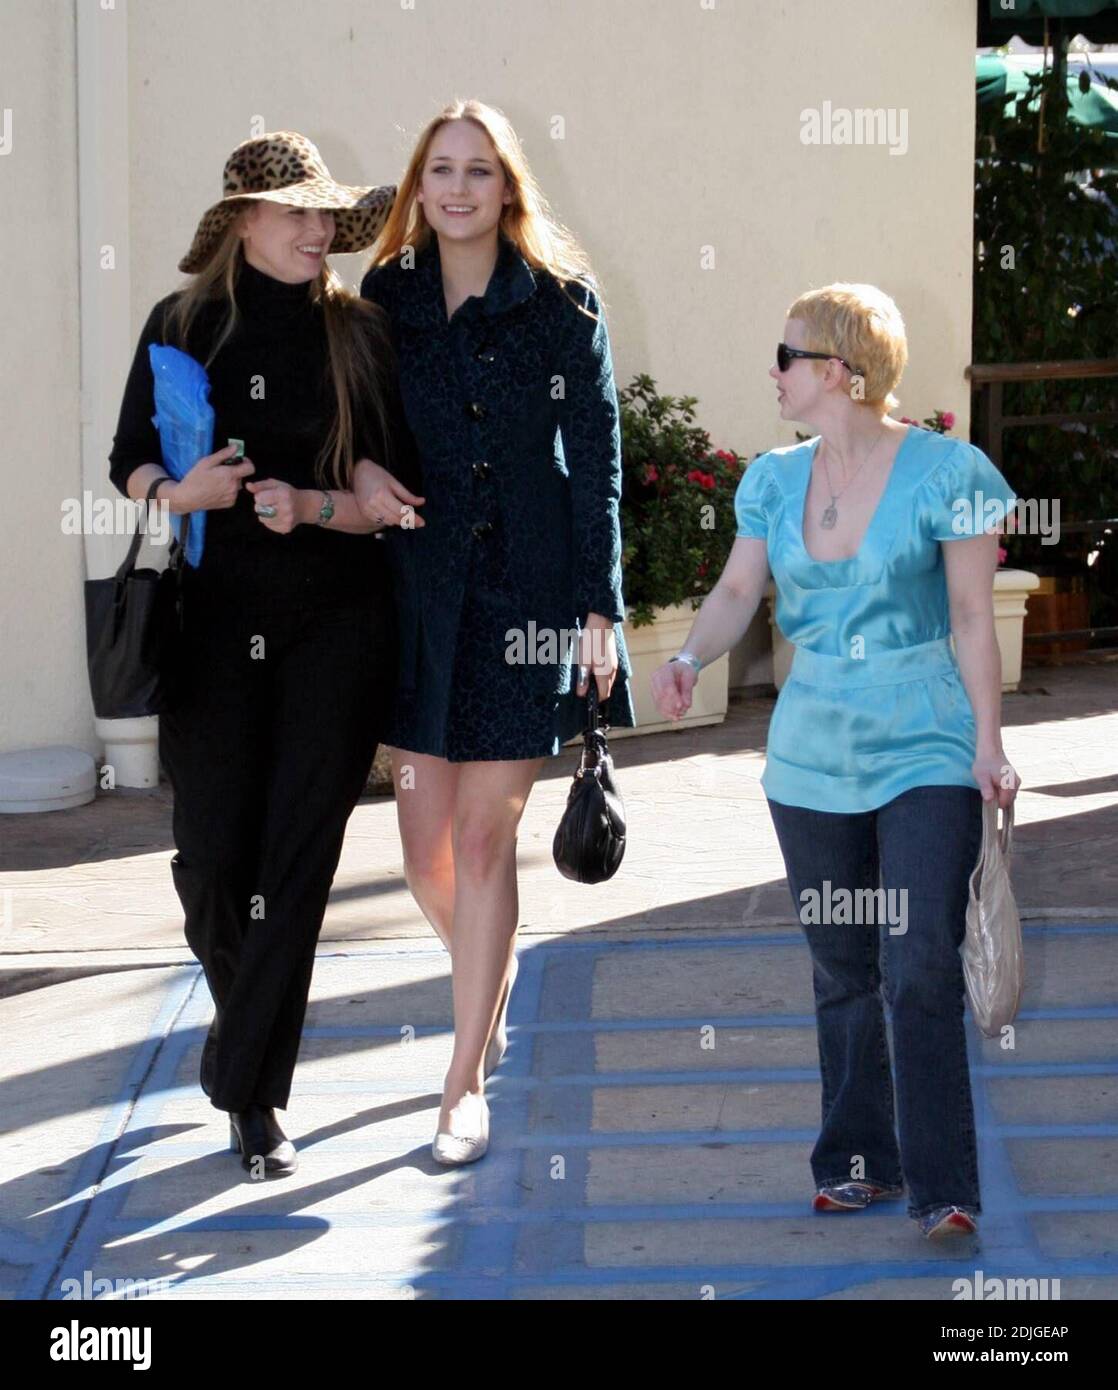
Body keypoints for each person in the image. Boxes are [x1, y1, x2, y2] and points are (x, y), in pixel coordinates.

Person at [651, 283, 1019, 1239]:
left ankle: (946, 1188)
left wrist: (989, 742)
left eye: (788, 354)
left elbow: (975, 617)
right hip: (811, 751)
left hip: (927, 740)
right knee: (842, 967)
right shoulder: (774, 480)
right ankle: (860, 1162)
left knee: (918, 964)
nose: (772, 370)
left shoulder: (951, 471)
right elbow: (739, 589)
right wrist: (690, 657)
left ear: (842, 373)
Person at [108, 131, 412, 1177]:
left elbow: (392, 485)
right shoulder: (181, 323)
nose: (318, 233)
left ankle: (251, 1096)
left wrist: (324, 501)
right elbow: (127, 459)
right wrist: (176, 490)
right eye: (296, 214)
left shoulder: (359, 332)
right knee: (210, 864)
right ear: (243, 222)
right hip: (210, 632)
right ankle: (246, 1053)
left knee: (295, 859)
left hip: (338, 624)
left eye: (326, 216)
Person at [354, 99, 636, 1165]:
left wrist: (597, 606)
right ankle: (489, 982)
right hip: (420, 598)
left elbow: (597, 460)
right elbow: (358, 425)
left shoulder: (561, 303)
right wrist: (357, 472)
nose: (459, 187)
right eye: (441, 170)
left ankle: (461, 1078)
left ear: (507, 186)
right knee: (426, 853)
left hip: (528, 599)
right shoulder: (385, 297)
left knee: (482, 842)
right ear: (418, 187)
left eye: (478, 170)